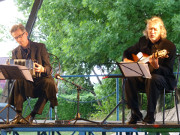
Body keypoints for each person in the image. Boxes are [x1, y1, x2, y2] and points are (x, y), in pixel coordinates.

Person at [123, 16, 176, 124]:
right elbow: (128, 51)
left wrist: (157, 67)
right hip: (145, 77)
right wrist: (125, 59)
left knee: (152, 78)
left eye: (155, 29)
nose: (152, 31)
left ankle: (150, 115)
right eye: (150, 29)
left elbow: (168, 71)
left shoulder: (169, 46)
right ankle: (136, 113)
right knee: (130, 79)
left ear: (161, 30)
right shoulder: (143, 42)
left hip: (163, 80)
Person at [9, 24, 58, 124]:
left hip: (41, 82)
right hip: (26, 84)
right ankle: (18, 115)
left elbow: (49, 68)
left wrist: (43, 69)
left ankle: (31, 115)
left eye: (20, 36)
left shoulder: (40, 47)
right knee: (18, 80)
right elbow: (15, 70)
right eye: (15, 38)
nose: (18, 39)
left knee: (49, 83)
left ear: (26, 33)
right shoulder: (15, 52)